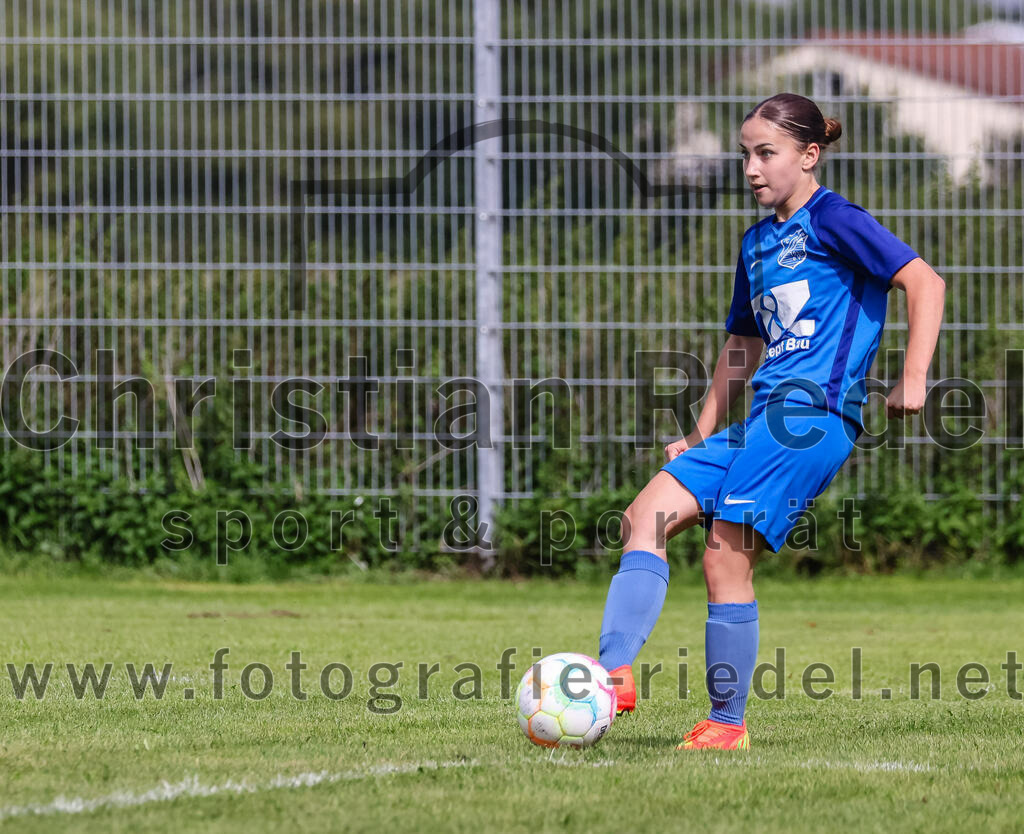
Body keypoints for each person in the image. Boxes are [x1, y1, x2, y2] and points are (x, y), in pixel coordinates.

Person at [596, 93, 946, 750]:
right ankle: (612, 674)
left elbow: (925, 282)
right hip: (763, 421)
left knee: (724, 559)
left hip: (812, 420)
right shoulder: (757, 244)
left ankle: (726, 724)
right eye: (745, 155)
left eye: (767, 153)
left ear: (809, 156)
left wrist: (913, 378)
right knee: (644, 516)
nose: (753, 168)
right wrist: (699, 433)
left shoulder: (835, 219)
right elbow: (741, 347)